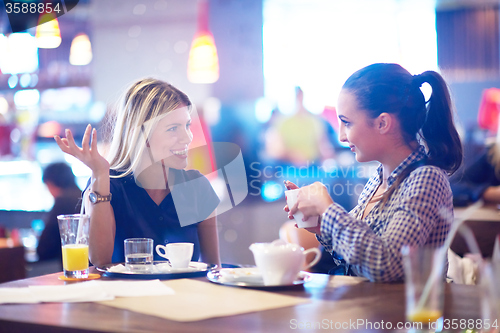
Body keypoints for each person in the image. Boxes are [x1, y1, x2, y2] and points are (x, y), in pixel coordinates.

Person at [285, 63, 463, 282]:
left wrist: (328, 208)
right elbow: (360, 260)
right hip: (376, 310)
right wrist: (322, 225)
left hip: (409, 315)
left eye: (347, 123)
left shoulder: (426, 178)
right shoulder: (379, 178)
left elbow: (386, 265)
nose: (341, 136)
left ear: (382, 123)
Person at [54, 78, 221, 268]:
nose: (188, 137)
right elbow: (100, 260)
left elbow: (213, 269)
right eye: (173, 128)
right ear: (141, 134)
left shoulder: (197, 187)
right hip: (124, 297)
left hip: (184, 296)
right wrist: (100, 174)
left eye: (187, 126)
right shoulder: (107, 186)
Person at [37, 162, 82, 263]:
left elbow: (43, 247)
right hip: (87, 264)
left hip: (67, 265)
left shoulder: (63, 200)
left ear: (51, 183)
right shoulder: (83, 196)